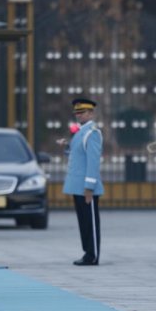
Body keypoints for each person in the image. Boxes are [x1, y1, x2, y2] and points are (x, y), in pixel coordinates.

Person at [58, 99, 104, 266]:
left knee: (90, 222)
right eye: (77, 113)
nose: (79, 115)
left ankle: (93, 255)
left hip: (86, 187)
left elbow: (93, 161)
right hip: (78, 186)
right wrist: (66, 146)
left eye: (82, 112)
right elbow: (77, 155)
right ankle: (87, 253)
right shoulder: (80, 132)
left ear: (91, 113)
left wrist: (89, 187)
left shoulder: (92, 133)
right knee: (83, 222)